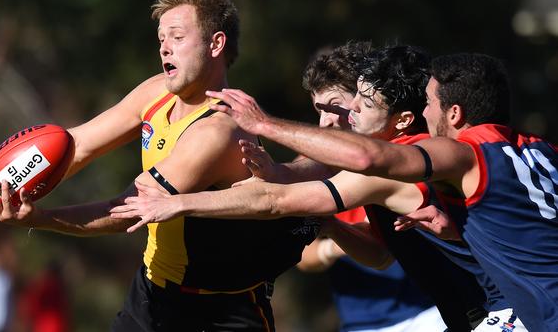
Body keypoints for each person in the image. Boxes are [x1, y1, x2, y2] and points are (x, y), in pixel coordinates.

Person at [0, 0, 317, 332]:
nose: (164, 48)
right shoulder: (156, 93)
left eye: (177, 37)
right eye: (161, 39)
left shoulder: (217, 130)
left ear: (216, 43)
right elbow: (74, 146)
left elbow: (128, 207)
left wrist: (41, 218)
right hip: (151, 291)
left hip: (220, 312)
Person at [114, 46, 522, 331]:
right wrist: (317, 212)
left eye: (355, 106)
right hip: (476, 313)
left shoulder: (395, 162)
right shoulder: (466, 154)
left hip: (491, 313)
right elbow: (378, 252)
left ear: (400, 119)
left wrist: (181, 201)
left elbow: (275, 201)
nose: (338, 119)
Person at [249, 43, 446, 332]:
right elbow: (315, 250)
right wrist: (333, 234)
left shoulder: (407, 153)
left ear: (365, 98)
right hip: (363, 320)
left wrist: (185, 203)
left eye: (333, 105)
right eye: (318, 110)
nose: (324, 122)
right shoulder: (326, 159)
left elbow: (277, 198)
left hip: (431, 311)